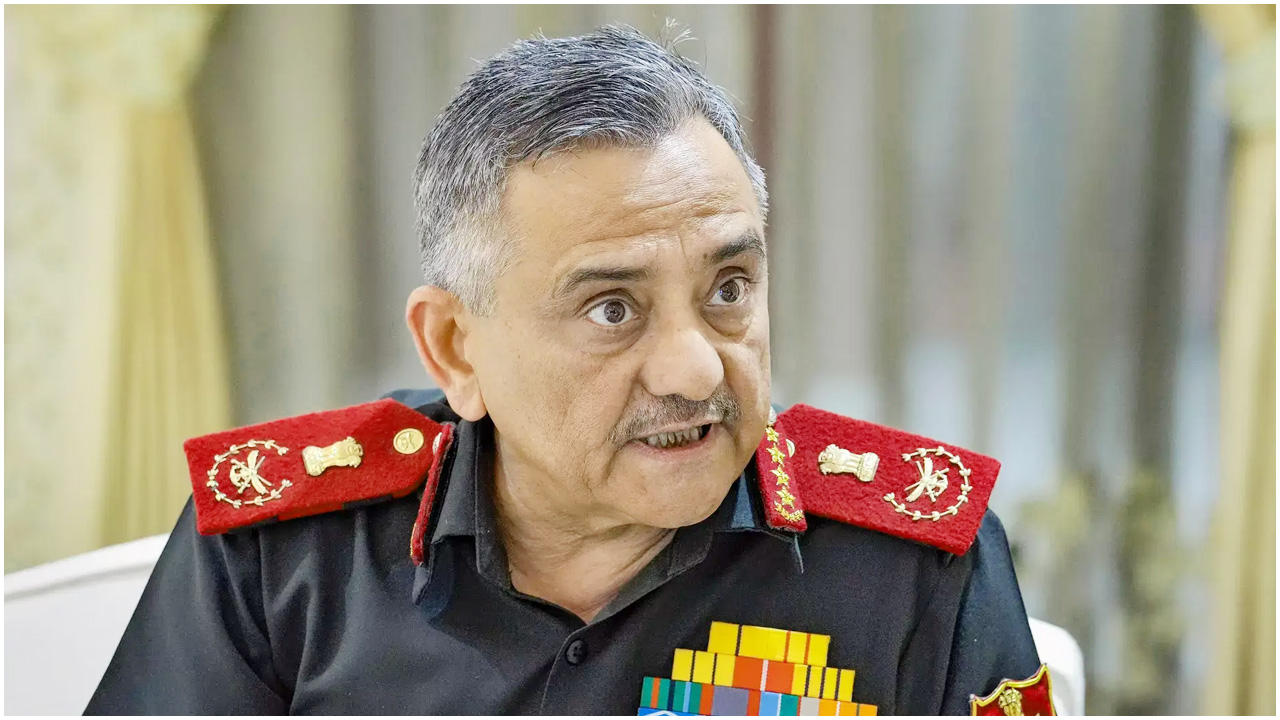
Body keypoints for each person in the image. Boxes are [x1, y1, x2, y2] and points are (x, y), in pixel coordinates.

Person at [85, 26, 1052, 716]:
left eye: (728, 289)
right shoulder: (280, 557)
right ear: (455, 348)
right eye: (612, 309)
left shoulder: (918, 565)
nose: (692, 369)